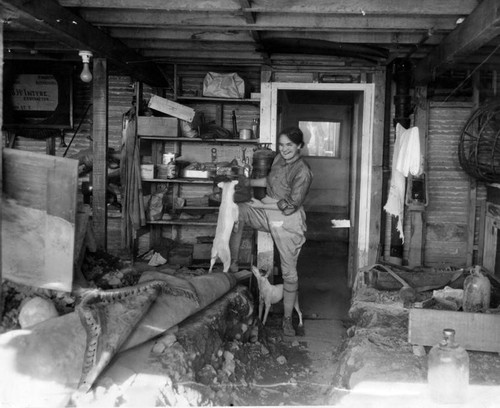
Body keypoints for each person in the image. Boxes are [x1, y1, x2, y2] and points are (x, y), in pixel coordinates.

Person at [229, 126, 313, 337]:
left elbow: (291, 205)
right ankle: (232, 266)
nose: (284, 149)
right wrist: (246, 182)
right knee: (238, 210)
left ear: (300, 146)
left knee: (288, 272)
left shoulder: (303, 171)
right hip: (268, 211)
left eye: (290, 145)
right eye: (282, 144)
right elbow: (269, 181)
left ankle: (287, 320)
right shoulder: (277, 159)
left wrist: (259, 205)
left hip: (288, 221)